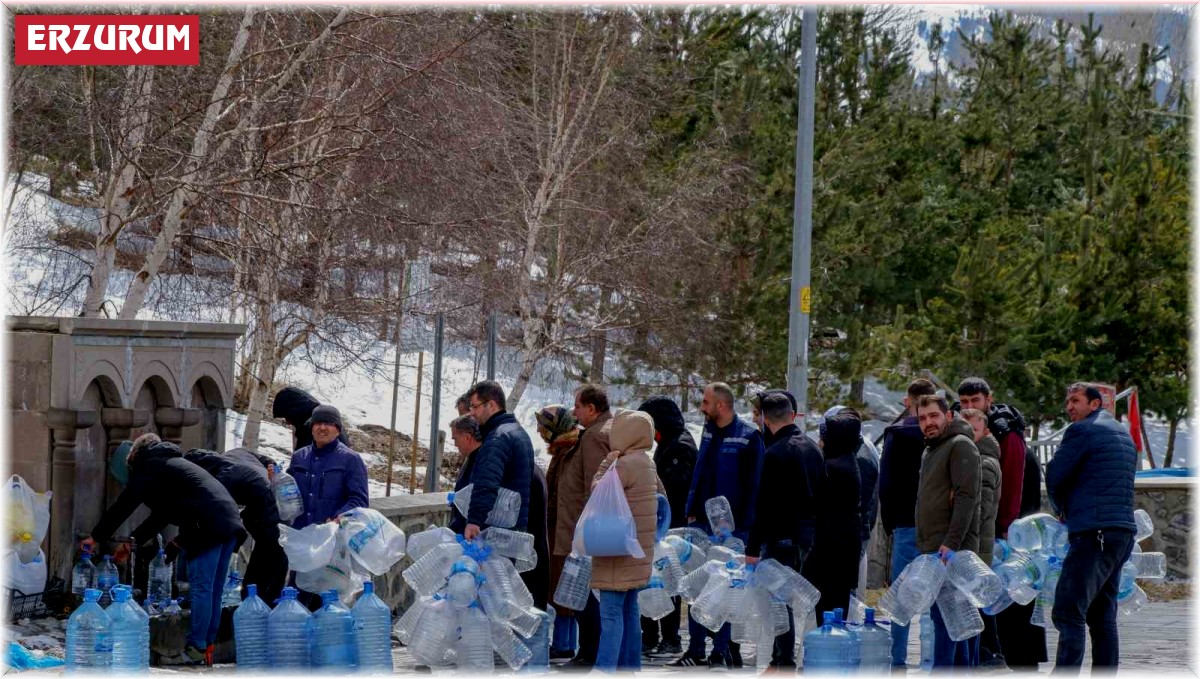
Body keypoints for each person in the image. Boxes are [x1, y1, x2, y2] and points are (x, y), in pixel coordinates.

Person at [83, 433, 245, 666]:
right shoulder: (171, 465)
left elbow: (125, 505)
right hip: (229, 520)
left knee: (202, 589)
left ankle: (196, 648)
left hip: (207, 525)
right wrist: (131, 542)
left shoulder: (148, 466)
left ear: (133, 461)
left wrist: (95, 537)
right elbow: (162, 516)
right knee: (213, 590)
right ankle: (207, 645)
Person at [671, 382, 765, 670]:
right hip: (701, 523)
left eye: (706, 402)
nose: (702, 407)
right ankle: (696, 649)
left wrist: (744, 530)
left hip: (731, 530)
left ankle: (720, 652)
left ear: (720, 405)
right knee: (698, 584)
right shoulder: (709, 431)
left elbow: (755, 487)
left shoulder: (748, 437)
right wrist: (691, 510)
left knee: (723, 587)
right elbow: (701, 471)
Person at [1046, 383, 1137, 672]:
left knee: (1068, 612)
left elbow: (1055, 474)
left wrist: (1061, 510)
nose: (1069, 407)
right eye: (1067, 401)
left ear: (1095, 404)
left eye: (1075, 400)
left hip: (1093, 533)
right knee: (1102, 616)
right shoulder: (1123, 434)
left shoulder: (1082, 430)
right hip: (1121, 533)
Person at [745, 392, 826, 669]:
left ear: (765, 420)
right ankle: (779, 660)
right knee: (790, 600)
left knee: (780, 603)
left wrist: (752, 548)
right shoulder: (813, 448)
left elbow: (764, 505)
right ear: (792, 415)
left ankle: (784, 662)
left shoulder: (774, 453)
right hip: (808, 537)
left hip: (781, 537)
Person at [590, 410, 663, 673]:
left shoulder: (623, 465)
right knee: (630, 611)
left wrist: (606, 463)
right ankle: (630, 668)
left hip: (616, 551)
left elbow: (598, 491)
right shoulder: (647, 463)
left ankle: (605, 669)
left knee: (610, 614)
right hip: (638, 550)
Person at [914, 394, 981, 669]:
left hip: (951, 550)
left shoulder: (959, 445)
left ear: (948, 416)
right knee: (952, 623)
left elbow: (967, 497)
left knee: (945, 621)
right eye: (922, 418)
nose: (928, 422)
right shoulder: (932, 449)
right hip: (934, 547)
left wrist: (951, 542)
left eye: (934, 416)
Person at [555, 384, 615, 668]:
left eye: (578, 407)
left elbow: (597, 486)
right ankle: (589, 650)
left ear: (592, 409)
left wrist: (587, 531)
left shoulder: (594, 436)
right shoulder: (599, 432)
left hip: (583, 530)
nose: (574, 412)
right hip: (583, 528)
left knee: (584, 593)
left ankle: (590, 652)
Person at [878, 377, 936, 668]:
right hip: (936, 525)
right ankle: (933, 658)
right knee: (934, 594)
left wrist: (889, 523)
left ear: (907, 401)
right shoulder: (942, 432)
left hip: (905, 521)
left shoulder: (897, 434)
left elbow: (886, 483)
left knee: (901, 596)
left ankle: (898, 658)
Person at [183, 447, 287, 606]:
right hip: (282, 509)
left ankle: (255, 610)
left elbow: (220, 514)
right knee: (275, 567)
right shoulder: (237, 452)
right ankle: (267, 608)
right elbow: (269, 462)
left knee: (259, 578)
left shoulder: (222, 478)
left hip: (268, 517)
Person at [636, 396, 697, 657]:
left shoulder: (679, 446)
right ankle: (651, 636)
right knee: (654, 583)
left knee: (668, 583)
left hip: (671, 528)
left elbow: (673, 490)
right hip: (662, 525)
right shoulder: (669, 443)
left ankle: (670, 638)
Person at [803, 407, 863, 623]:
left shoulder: (835, 468)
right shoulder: (846, 460)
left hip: (832, 553)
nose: (820, 443)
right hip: (841, 551)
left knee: (830, 615)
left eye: (824, 438)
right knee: (835, 610)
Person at [996, 424, 1048, 670]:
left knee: (1015, 605)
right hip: (1027, 539)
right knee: (1024, 603)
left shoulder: (1013, 453)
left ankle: (1020, 660)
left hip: (1014, 539)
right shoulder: (1025, 452)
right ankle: (1027, 659)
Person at [537, 406, 584, 660]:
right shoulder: (562, 450)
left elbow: (562, 493)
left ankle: (564, 643)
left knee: (563, 588)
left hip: (564, 529)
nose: (540, 431)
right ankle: (564, 641)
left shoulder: (568, 451)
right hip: (561, 528)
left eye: (544, 427)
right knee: (562, 588)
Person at [956, 378, 1027, 541]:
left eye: (975, 400)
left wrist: (1006, 525)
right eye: (964, 402)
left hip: (995, 524)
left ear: (988, 399)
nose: (969, 407)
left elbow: (1012, 482)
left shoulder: (1006, 434)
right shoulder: (960, 424)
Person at [462, 380, 535, 537]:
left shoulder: (498, 438)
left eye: (475, 407)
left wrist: (474, 520)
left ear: (491, 405)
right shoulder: (519, 433)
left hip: (497, 530)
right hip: (515, 527)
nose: (471, 413)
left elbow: (487, 482)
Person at [961, 407, 1003, 669]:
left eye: (973, 430)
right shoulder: (973, 458)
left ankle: (976, 661)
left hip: (976, 548)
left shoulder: (984, 463)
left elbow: (980, 510)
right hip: (975, 547)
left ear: (985, 432)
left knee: (971, 610)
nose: (967, 435)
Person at [271, 386, 349, 451]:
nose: (288, 422)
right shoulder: (316, 419)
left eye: (287, 417)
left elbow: (305, 460)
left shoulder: (312, 428)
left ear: (295, 413)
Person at [448, 415, 484, 534]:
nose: (455, 444)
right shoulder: (472, 458)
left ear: (467, 437)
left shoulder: (481, 461)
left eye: (455, 439)